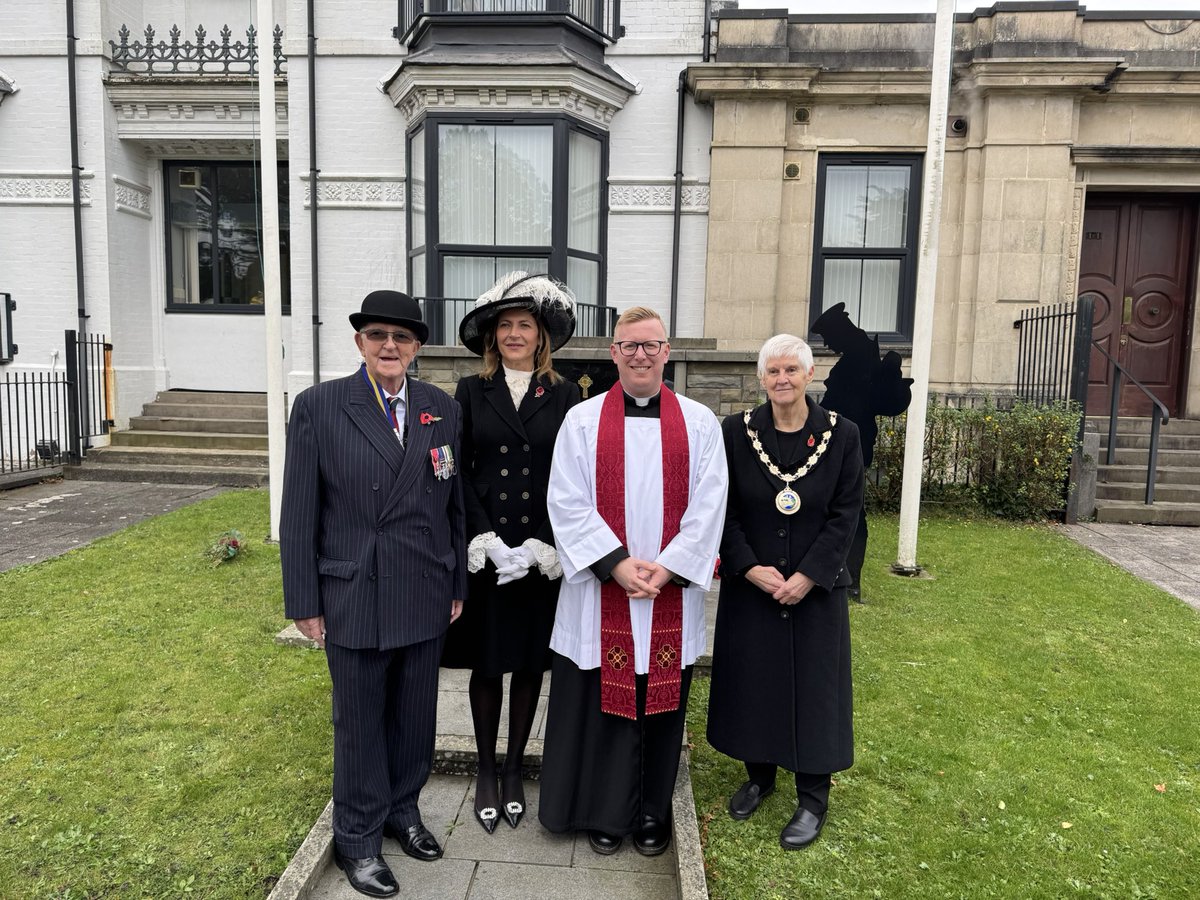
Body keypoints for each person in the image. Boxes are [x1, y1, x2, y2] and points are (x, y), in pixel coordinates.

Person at [280, 290, 466, 899]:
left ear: (417, 348)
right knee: (359, 722)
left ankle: (402, 812)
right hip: (354, 591)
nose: (391, 346)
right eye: (379, 335)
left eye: (403, 338)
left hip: (424, 588)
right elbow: (300, 513)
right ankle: (358, 837)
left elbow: (453, 506)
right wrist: (304, 601)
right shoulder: (321, 406)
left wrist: (457, 581)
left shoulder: (440, 407)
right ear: (359, 341)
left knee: (415, 717)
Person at [540, 306, 728, 857]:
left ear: (667, 351)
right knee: (605, 706)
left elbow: (710, 503)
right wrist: (616, 565)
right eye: (629, 345)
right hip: (602, 591)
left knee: (660, 709)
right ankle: (605, 812)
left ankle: (650, 813)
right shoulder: (582, 421)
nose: (640, 354)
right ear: (613, 353)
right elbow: (566, 500)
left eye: (651, 345)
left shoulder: (698, 423)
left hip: (667, 591)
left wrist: (668, 568)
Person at [706, 333, 864, 850]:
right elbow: (721, 510)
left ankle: (813, 796)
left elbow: (846, 515)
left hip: (815, 590)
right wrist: (748, 567)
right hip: (753, 586)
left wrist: (810, 575)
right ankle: (760, 777)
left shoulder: (842, 436)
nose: (782, 380)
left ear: (809, 374)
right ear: (761, 379)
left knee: (815, 690)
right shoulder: (735, 432)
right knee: (757, 681)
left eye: (791, 371)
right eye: (772, 372)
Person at [441, 272, 581, 834]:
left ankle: (518, 765)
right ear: (492, 337)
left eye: (525, 325)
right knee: (487, 662)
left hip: (538, 552)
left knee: (527, 663)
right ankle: (485, 770)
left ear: (541, 336)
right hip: (489, 554)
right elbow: (459, 469)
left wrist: (541, 545)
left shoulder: (568, 393)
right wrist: (485, 540)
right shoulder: (471, 391)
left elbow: (571, 476)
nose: (515, 333)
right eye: (505, 325)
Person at [810, 301, 913, 602]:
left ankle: (849, 579)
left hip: (848, 445)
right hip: (848, 443)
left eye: (828, 336)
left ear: (841, 331)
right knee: (846, 510)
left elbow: (841, 405)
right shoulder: (861, 352)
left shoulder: (857, 357)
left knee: (851, 512)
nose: (827, 344)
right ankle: (843, 575)